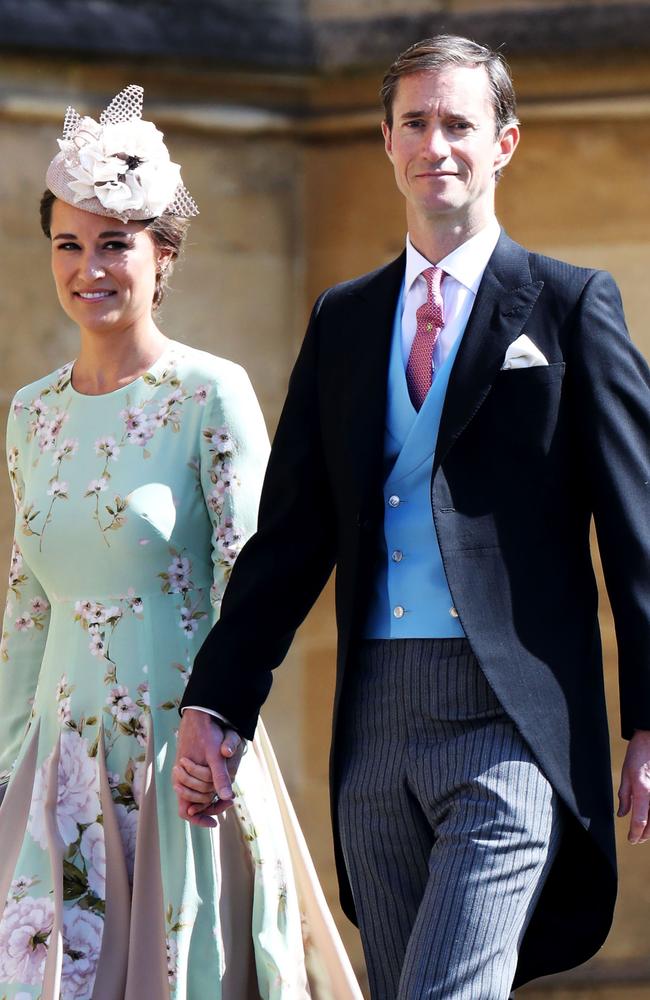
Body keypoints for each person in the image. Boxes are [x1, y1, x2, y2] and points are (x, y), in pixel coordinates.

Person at [174, 34, 650, 1000]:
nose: (438, 144)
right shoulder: (343, 319)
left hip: (511, 719)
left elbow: (638, 527)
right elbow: (293, 534)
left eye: (460, 124)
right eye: (417, 123)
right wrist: (218, 700)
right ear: (385, 140)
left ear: (504, 143)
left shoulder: (569, 306)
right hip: (376, 726)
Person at [0, 85, 362, 1000]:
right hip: (57, 783)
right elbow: (27, 606)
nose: (91, 267)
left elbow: (257, 586)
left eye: (116, 243)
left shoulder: (212, 394)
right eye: (70, 244)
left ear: (163, 257)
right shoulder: (29, 413)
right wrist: (7, 776)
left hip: (183, 769)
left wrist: (221, 735)